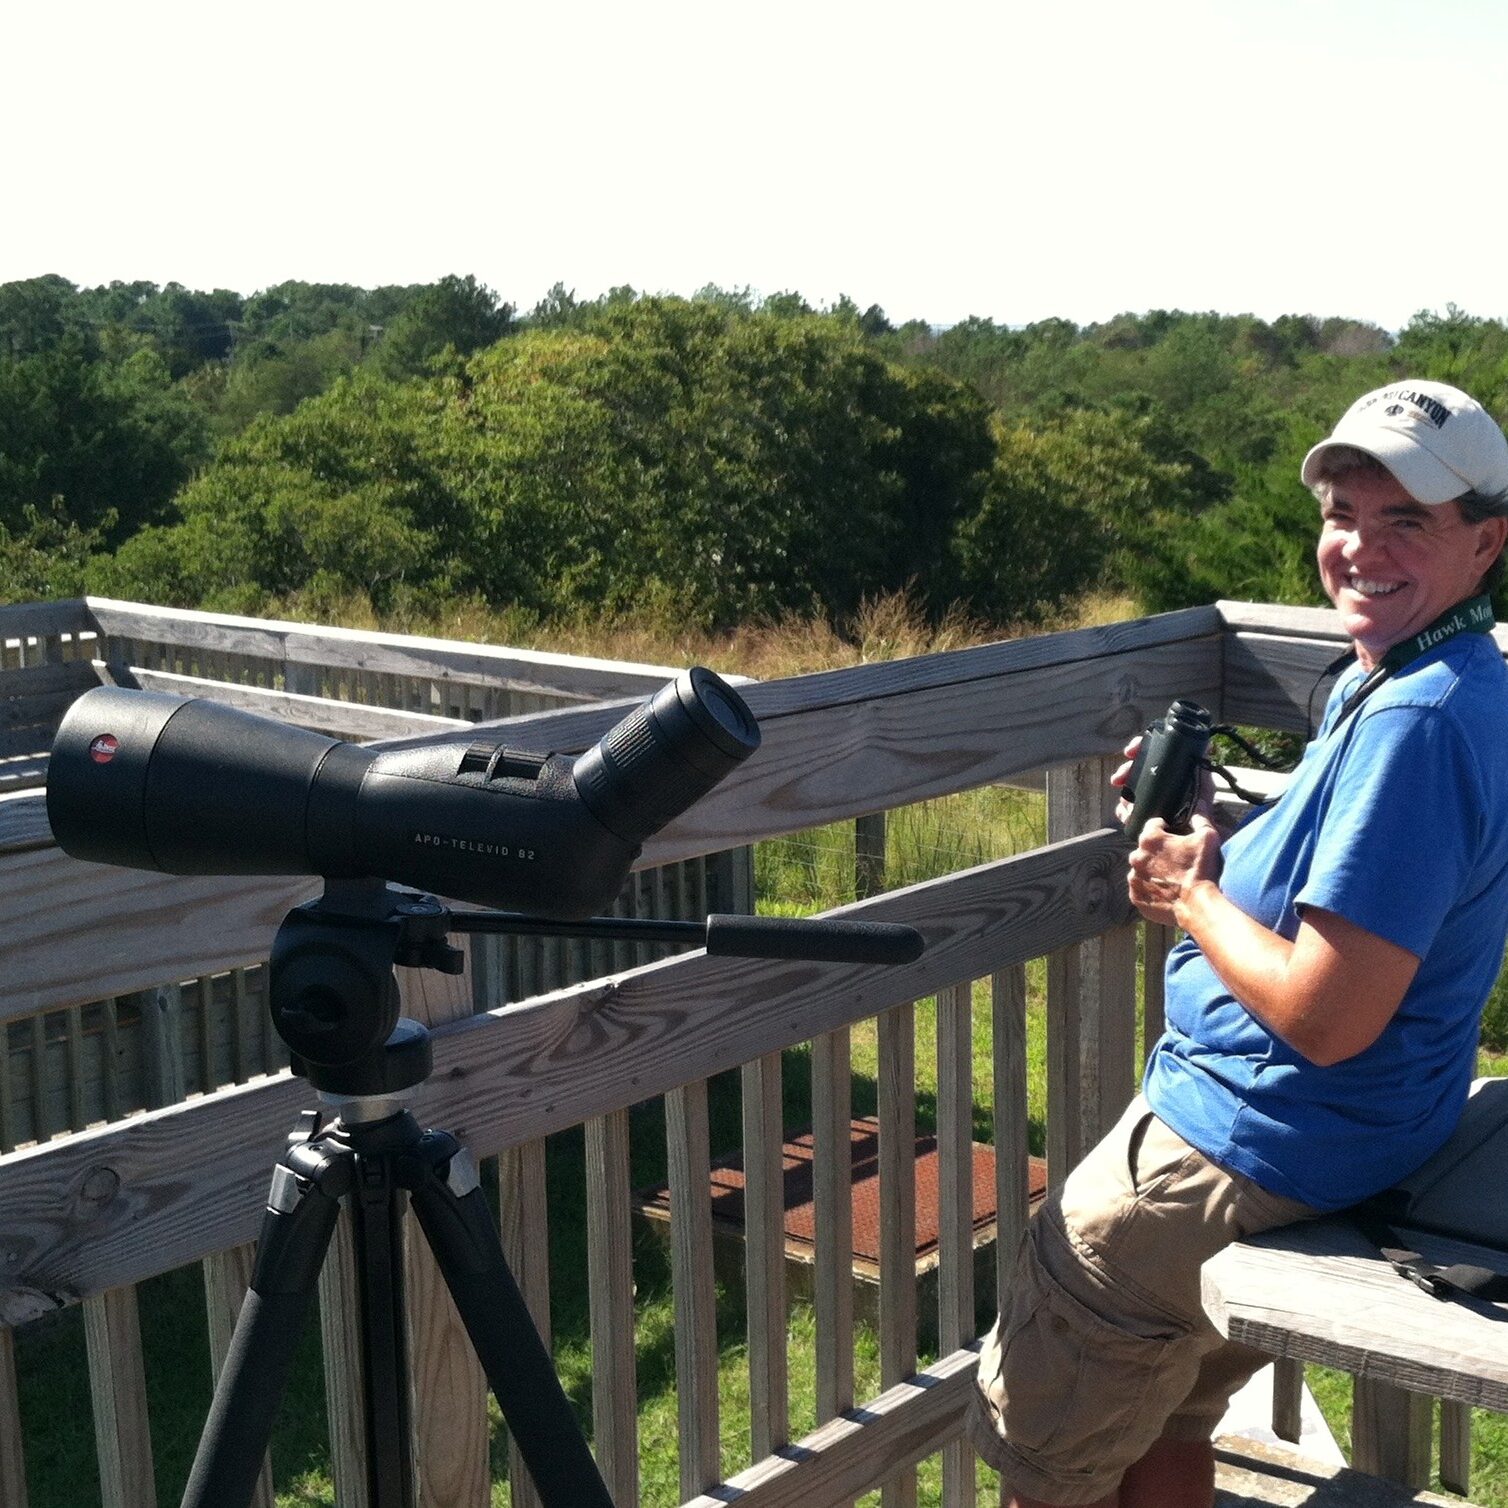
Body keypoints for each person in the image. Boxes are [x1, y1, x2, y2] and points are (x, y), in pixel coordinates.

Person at [970, 379, 1508, 1508]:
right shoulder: (1435, 675)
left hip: (1239, 1151)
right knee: (1169, 1406)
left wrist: (1187, 896)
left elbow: (1327, 1011)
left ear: (1484, 540)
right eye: (1340, 513)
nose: (1358, 546)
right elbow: (1364, 873)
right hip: (1345, 1140)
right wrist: (1228, 845)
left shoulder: (1414, 718)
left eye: (1404, 518)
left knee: (1043, 1457)